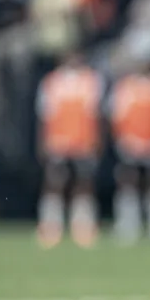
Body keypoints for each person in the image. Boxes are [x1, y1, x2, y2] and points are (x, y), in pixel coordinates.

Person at [36, 51, 103, 249]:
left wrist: (98, 139)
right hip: (58, 140)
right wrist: (42, 142)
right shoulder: (51, 82)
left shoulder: (91, 80)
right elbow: (44, 114)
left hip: (84, 141)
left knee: (84, 183)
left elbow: (97, 113)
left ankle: (83, 226)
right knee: (54, 183)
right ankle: (50, 226)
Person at [109, 61, 150, 244]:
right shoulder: (125, 87)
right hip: (131, 142)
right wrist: (122, 139)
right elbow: (117, 116)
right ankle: (128, 224)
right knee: (129, 182)